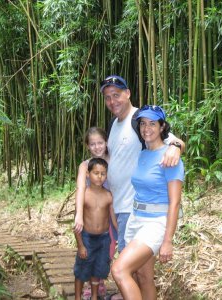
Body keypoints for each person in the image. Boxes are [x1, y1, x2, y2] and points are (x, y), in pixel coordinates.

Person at [74, 75, 185, 255]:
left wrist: (176, 147)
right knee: (134, 270)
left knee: (123, 268)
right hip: (115, 206)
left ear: (127, 93)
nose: (112, 101)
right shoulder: (113, 124)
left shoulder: (140, 120)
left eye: (116, 95)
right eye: (108, 97)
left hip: (132, 206)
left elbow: (175, 141)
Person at [111, 105, 184, 299]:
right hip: (136, 219)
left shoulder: (170, 157)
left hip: (156, 223)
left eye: (152, 123)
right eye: (143, 123)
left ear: (162, 127)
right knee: (143, 277)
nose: (146, 128)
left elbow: (175, 203)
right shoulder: (143, 153)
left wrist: (167, 241)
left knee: (119, 270)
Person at [73, 127, 114, 298]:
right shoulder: (85, 166)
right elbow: (81, 188)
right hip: (90, 213)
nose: (97, 147)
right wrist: (79, 215)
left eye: (100, 143)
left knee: (106, 252)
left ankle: (98, 282)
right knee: (87, 255)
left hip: (111, 209)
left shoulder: (113, 160)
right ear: (87, 146)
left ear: (106, 142)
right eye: (92, 144)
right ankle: (90, 286)